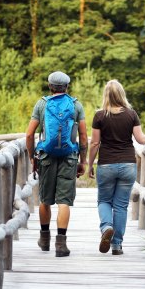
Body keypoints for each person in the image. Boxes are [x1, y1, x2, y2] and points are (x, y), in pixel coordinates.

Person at [88, 80, 145, 255]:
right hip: (128, 165)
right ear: (121, 94)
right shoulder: (131, 114)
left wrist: (89, 164)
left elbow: (95, 143)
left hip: (106, 165)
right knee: (120, 206)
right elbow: (141, 139)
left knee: (104, 201)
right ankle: (117, 245)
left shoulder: (99, 116)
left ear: (106, 95)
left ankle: (106, 227)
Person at [25, 71, 88, 257]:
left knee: (45, 199)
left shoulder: (42, 104)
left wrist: (31, 156)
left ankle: (44, 240)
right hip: (69, 157)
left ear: (50, 86)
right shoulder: (76, 105)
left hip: (46, 157)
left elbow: (29, 134)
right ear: (67, 87)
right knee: (64, 201)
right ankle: (61, 244)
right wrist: (83, 161)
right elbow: (83, 136)